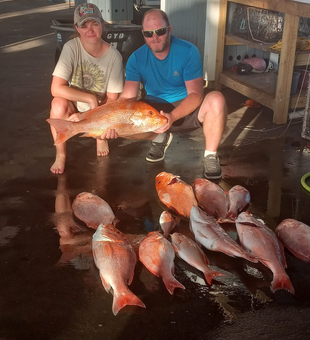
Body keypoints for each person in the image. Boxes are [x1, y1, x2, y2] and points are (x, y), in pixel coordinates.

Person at [102, 8, 227, 179]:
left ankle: (210, 155)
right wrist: (105, 121)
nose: (154, 37)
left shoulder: (188, 51)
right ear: (142, 34)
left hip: (186, 107)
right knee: (120, 125)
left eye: (160, 31)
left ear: (169, 29)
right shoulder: (136, 58)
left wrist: (172, 117)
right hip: (153, 112)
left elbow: (196, 95)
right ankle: (159, 138)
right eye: (148, 33)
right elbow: (127, 98)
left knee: (216, 99)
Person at [49, 3, 124, 174]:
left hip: (101, 109)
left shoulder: (114, 56)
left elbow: (112, 99)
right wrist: (90, 99)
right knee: (58, 104)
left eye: (94, 24)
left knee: (113, 107)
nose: (90, 30)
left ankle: (100, 136)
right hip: (76, 107)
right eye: (84, 25)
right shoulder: (70, 48)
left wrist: (91, 113)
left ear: (102, 25)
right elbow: (56, 88)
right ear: (77, 28)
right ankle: (60, 154)